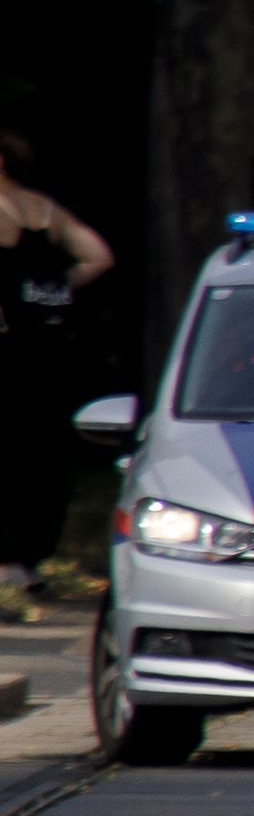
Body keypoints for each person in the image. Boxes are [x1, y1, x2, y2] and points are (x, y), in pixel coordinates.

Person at [0, 130, 114, 602]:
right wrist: (55, 286)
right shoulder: (44, 210)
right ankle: (30, 559)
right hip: (46, 348)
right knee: (41, 451)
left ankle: (4, 562)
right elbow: (99, 257)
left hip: (4, 346)